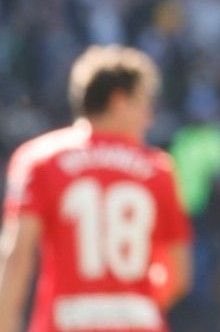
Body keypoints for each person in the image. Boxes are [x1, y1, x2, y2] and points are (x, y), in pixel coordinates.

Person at [0, 45, 193, 332]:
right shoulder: (158, 170)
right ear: (119, 101)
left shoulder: (39, 160)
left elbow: (17, 258)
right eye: (144, 103)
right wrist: (132, 305)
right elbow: (178, 275)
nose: (149, 118)